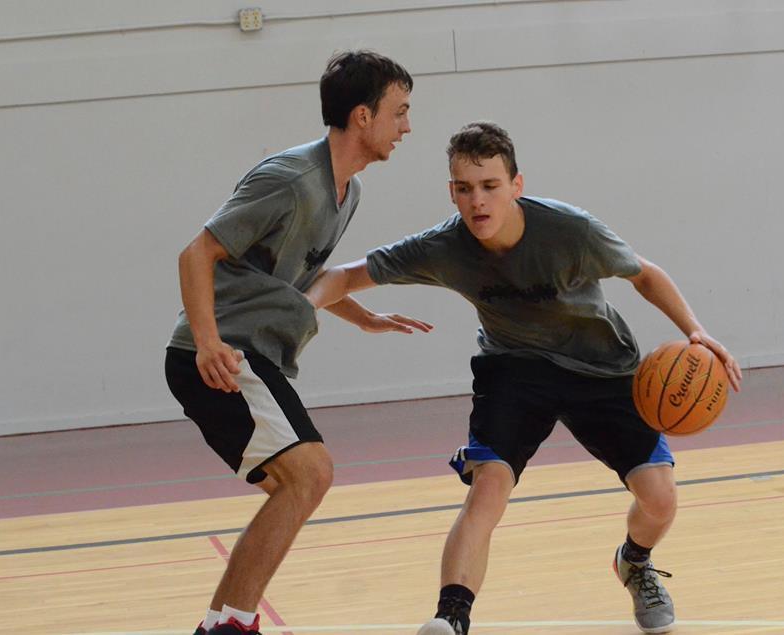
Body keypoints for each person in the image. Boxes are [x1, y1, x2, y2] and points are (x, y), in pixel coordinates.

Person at [305, 121, 743, 635]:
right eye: (464, 189)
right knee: (489, 485)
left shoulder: (569, 231)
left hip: (602, 369)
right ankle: (451, 618)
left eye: (490, 186)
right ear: (452, 192)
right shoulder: (442, 247)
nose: (478, 202)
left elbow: (644, 273)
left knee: (661, 498)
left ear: (516, 185)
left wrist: (695, 331)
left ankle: (635, 562)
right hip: (515, 369)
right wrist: (313, 309)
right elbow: (341, 276)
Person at [165, 50, 430, 635]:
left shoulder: (347, 190)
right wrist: (209, 342)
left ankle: (223, 622)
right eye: (400, 112)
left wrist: (361, 316)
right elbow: (196, 254)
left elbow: (298, 275)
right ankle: (231, 626)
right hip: (224, 353)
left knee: (297, 483)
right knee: (310, 474)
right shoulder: (290, 179)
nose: (407, 126)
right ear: (363, 116)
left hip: (248, 351)